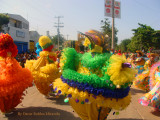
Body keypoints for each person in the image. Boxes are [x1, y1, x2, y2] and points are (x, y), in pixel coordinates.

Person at [53, 30, 136, 120]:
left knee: (96, 113)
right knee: (93, 113)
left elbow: (111, 75)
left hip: (99, 94)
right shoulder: (85, 56)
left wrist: (120, 67)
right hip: (87, 94)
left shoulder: (106, 58)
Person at [0, 33, 33, 116]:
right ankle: (6, 109)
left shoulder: (5, 53)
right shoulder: (7, 53)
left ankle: (9, 107)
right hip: (8, 71)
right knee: (8, 91)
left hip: (9, 70)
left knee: (11, 91)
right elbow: (9, 62)